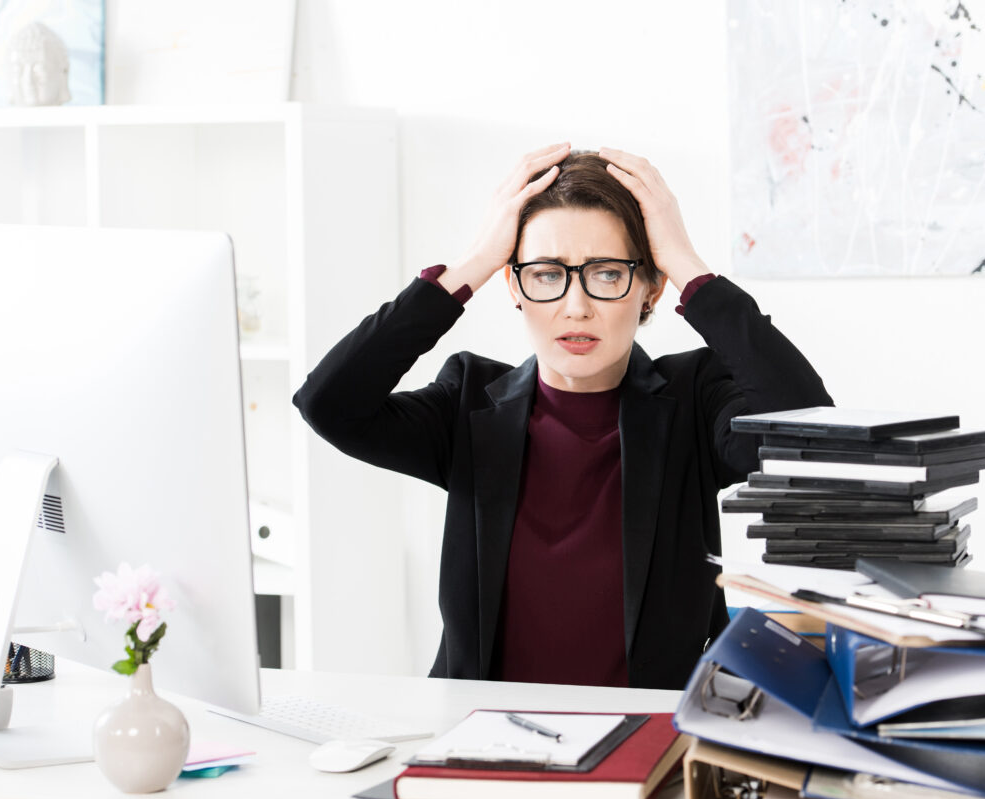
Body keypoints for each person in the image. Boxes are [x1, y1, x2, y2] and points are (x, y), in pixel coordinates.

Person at [293, 144, 832, 690]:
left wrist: (687, 263)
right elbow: (329, 405)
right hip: (482, 736)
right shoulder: (469, 402)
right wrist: (474, 263)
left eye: (606, 273)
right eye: (547, 275)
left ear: (650, 288)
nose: (576, 306)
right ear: (515, 287)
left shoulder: (694, 398)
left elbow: (809, 431)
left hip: (649, 741)